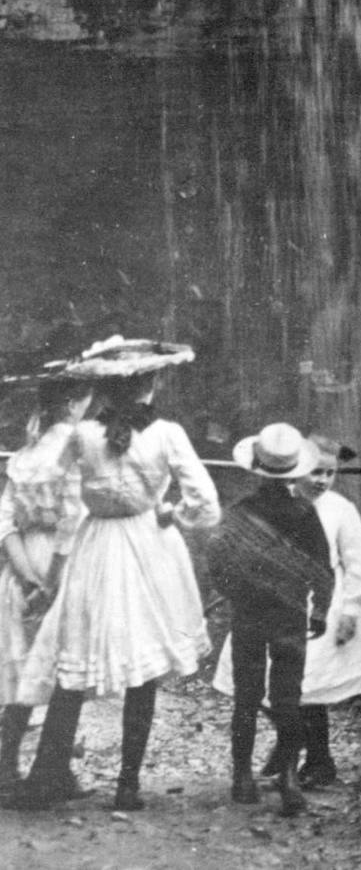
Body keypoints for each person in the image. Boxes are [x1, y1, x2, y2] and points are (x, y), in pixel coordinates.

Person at [4, 337, 220, 811]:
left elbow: (60, 499)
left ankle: (47, 774)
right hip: (147, 546)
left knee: (73, 657)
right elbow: (207, 506)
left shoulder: (81, 435)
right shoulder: (167, 433)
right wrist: (170, 515)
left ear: (106, 386)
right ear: (152, 382)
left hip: (96, 546)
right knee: (141, 670)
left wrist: (58, 555)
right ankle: (127, 784)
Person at [211, 431, 361, 787]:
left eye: (329, 474)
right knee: (263, 690)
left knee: (308, 688)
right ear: (294, 471)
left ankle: (317, 760)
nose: (321, 480)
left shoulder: (338, 510)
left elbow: (356, 563)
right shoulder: (283, 509)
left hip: (313, 606)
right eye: (315, 472)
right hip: (278, 607)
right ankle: (288, 752)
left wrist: (347, 608)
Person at [206, 423, 331, 816]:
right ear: (295, 470)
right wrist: (321, 610)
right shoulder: (305, 512)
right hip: (291, 614)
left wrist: (235, 594)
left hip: (248, 615)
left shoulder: (239, 514)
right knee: (288, 697)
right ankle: (289, 778)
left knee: (246, 696)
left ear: (254, 468)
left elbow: (217, 561)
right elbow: (322, 567)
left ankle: (242, 777)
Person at [0, 372, 95, 787]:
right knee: (62, 666)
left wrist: (24, 574)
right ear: (75, 403)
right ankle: (52, 770)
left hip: (22, 564)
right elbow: (73, 522)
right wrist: (52, 580)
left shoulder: (25, 453)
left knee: (24, 667)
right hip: (62, 562)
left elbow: (4, 521)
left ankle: (5, 766)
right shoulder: (74, 449)